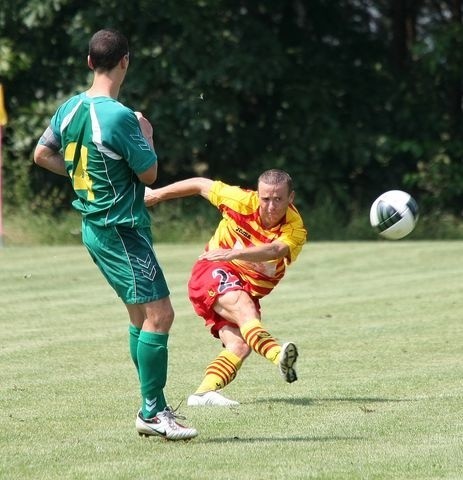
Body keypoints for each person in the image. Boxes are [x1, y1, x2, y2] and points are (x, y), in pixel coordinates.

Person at [33, 29, 197, 440]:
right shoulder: (121, 117)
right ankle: (152, 412)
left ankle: (152, 406)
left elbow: (41, 154)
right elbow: (150, 173)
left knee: (140, 317)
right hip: (121, 229)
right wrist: (147, 133)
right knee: (162, 316)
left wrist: (77, 174)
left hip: (95, 227)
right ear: (125, 61)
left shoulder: (69, 109)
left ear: (90, 62)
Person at [144, 169, 307, 406]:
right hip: (212, 270)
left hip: (243, 286)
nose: (271, 206)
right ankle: (277, 355)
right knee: (245, 311)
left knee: (240, 345)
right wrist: (156, 195)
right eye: (265, 199)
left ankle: (203, 393)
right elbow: (200, 183)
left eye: (278, 199)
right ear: (257, 194)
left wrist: (236, 252)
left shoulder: (295, 228)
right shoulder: (240, 200)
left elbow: (275, 250)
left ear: (290, 198)